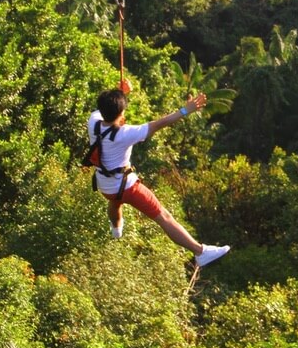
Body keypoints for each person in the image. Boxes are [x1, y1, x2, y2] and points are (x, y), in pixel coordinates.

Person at [87, 86, 230, 267]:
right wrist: (186, 110)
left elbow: (106, 111)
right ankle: (200, 251)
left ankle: (116, 229)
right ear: (121, 113)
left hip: (104, 184)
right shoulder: (126, 133)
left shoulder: (93, 122)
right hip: (127, 187)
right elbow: (159, 124)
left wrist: (121, 94)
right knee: (164, 216)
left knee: (115, 201)